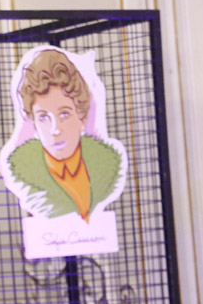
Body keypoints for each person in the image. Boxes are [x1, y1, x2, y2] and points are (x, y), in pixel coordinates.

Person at [7, 49, 122, 221]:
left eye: (64, 114)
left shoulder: (108, 167)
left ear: (82, 117)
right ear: (34, 122)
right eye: (43, 117)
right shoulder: (24, 176)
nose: (55, 129)